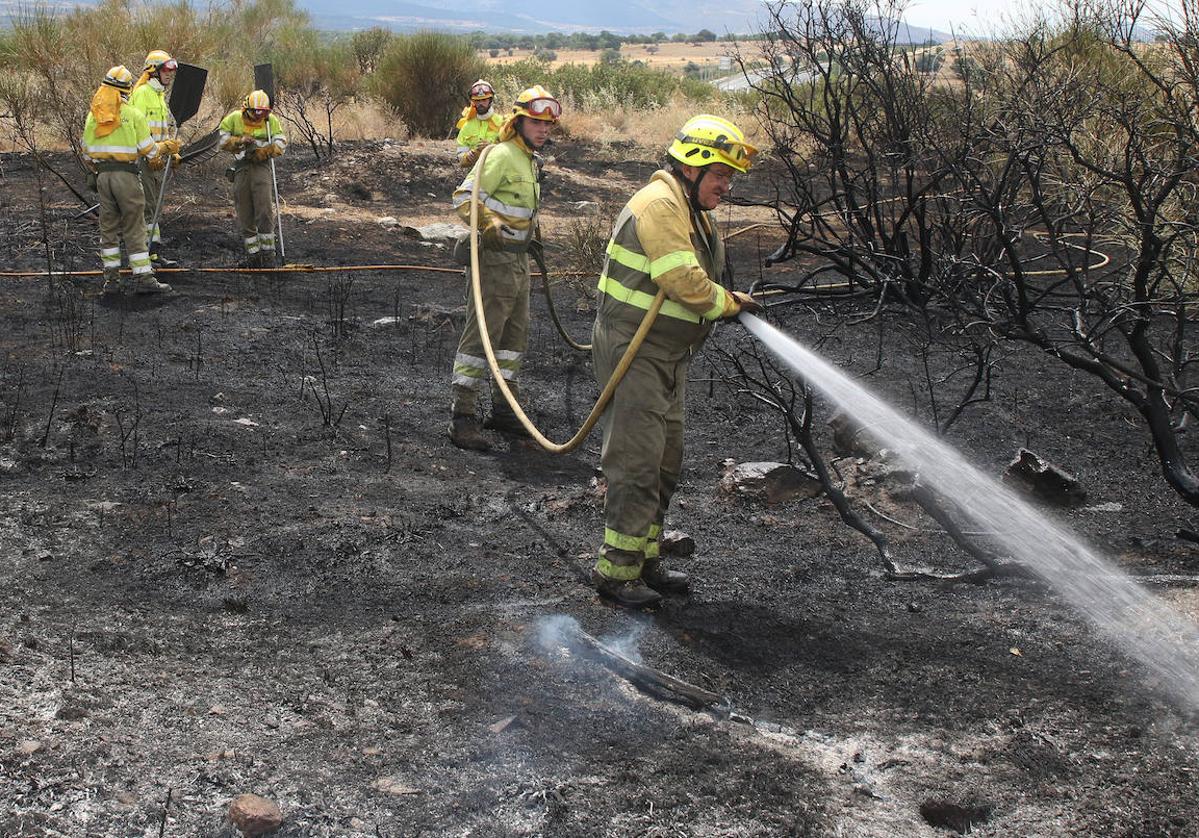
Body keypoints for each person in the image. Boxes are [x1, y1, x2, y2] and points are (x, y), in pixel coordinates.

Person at [590, 114, 763, 608]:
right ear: (693, 167)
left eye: (730, 178)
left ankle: (645, 561)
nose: (726, 187)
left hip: (669, 354)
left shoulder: (693, 211)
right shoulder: (659, 205)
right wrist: (727, 303)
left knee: (665, 463)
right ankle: (615, 572)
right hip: (634, 352)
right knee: (636, 461)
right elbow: (685, 282)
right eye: (721, 176)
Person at [447, 85, 560, 451]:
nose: (543, 130)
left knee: (514, 337)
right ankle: (462, 416)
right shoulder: (500, 155)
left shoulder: (529, 160)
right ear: (518, 121)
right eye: (536, 122)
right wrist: (487, 224)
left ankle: (505, 408)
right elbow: (464, 198)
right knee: (482, 334)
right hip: (492, 261)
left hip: (518, 261)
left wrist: (532, 240)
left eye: (548, 124)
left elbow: (523, 211)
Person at [81, 65, 173, 295]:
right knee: (135, 226)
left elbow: (86, 152)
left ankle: (111, 281)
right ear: (126, 89)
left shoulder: (94, 115)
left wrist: (99, 171)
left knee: (108, 228)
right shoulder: (133, 115)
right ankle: (144, 278)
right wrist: (167, 147)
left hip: (102, 178)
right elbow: (149, 151)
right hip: (127, 178)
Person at [218, 90, 286, 266]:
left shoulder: (271, 121)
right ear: (247, 108)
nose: (260, 116)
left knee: (264, 210)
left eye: (264, 112)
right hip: (241, 169)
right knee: (245, 211)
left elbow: (280, 143)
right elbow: (222, 142)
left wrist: (265, 152)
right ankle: (253, 256)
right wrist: (240, 141)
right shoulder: (234, 119)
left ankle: (268, 255)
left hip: (261, 167)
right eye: (257, 112)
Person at [128, 50, 180, 267]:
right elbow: (137, 131)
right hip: (144, 161)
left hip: (157, 160)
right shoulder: (142, 94)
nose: (170, 74)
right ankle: (145, 255)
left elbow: (162, 130)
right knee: (147, 207)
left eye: (172, 71)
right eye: (167, 70)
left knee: (155, 208)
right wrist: (151, 154)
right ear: (154, 71)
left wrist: (171, 151)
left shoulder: (159, 96)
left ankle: (153, 254)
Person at [454, 79, 504, 168]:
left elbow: (510, 151)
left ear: (490, 100)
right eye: (477, 100)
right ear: (473, 102)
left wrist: (492, 148)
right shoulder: (467, 126)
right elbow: (460, 153)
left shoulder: (502, 123)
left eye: (484, 100)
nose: (480, 103)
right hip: (474, 175)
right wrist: (466, 156)